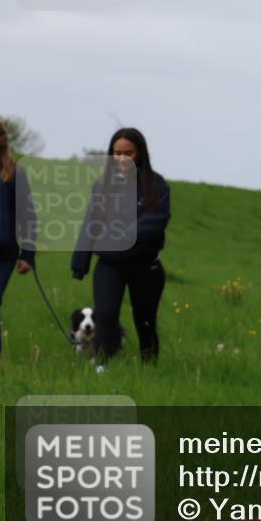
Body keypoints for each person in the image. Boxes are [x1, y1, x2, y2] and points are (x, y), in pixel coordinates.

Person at [71, 128, 170, 364]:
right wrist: (80, 262)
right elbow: (91, 222)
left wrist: (127, 234)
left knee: (144, 319)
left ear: (140, 154)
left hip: (145, 265)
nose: (122, 158)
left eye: (129, 153)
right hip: (110, 264)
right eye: (117, 153)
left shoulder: (157, 185)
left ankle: (149, 364)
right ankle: (102, 364)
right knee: (105, 316)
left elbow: (158, 219)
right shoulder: (103, 185)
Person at [0, 114, 36, 354]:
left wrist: (28, 254)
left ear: (1, 141)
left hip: (1, 254)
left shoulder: (15, 173)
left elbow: (27, 214)